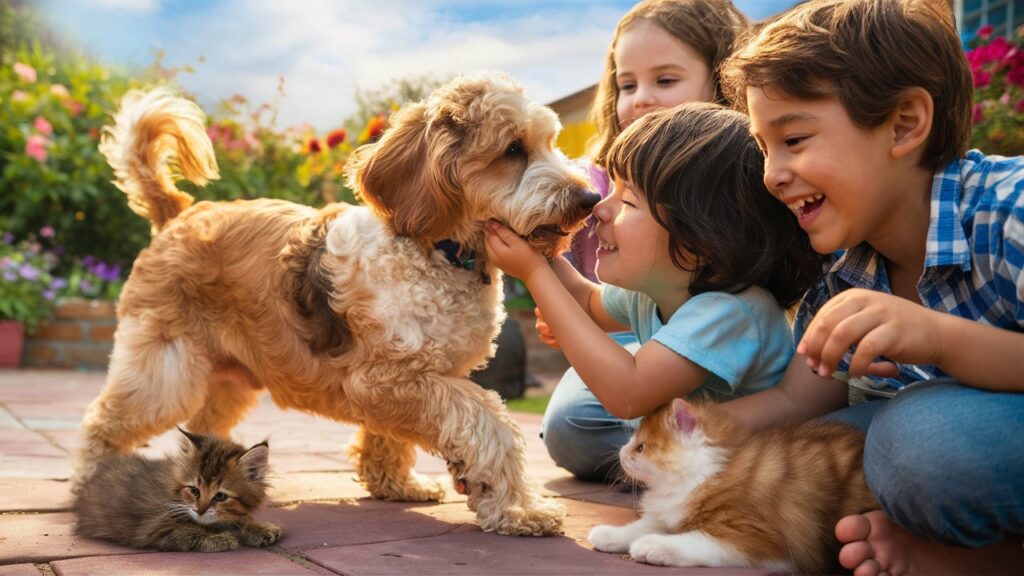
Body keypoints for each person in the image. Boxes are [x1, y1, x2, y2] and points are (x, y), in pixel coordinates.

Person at [718, 0, 1024, 573]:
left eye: (794, 139)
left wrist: (937, 338)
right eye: (763, 147)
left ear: (904, 123)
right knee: (817, 452)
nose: (771, 173)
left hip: (951, 447)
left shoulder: (1009, 211)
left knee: (920, 444)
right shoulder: (849, 271)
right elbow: (795, 402)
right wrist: (681, 430)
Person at [486, 102, 821, 479]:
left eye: (627, 200)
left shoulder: (729, 311)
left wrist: (533, 273)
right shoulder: (652, 293)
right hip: (705, 458)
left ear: (703, 237)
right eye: (611, 189)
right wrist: (531, 245)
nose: (600, 208)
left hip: (767, 470)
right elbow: (584, 300)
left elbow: (628, 393)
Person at [540, 0, 751, 482]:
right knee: (571, 426)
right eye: (627, 84)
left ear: (723, 82)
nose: (641, 99)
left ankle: (693, 456)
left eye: (666, 80)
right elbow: (591, 301)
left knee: (607, 411)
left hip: (724, 357)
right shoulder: (604, 176)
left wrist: (542, 281)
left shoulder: (744, 183)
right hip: (645, 345)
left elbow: (627, 391)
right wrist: (542, 260)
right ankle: (678, 454)